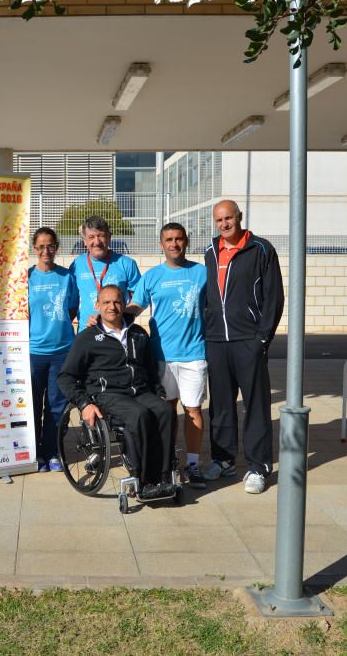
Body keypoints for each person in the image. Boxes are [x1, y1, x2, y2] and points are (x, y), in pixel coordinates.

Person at [57, 285, 177, 500]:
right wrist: (84, 403)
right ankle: (144, 480)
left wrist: (158, 392)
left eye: (117, 302)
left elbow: (150, 369)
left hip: (139, 391)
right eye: (106, 302)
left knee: (165, 411)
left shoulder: (138, 333)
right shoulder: (87, 338)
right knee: (138, 415)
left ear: (124, 304)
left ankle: (164, 476)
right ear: (97, 306)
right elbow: (65, 377)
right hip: (107, 394)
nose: (112, 307)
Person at [202, 200, 283, 495]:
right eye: (219, 220)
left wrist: (262, 338)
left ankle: (258, 466)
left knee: (257, 406)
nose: (224, 224)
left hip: (248, 341)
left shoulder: (261, 250)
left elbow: (273, 297)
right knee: (221, 407)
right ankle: (223, 460)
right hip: (216, 343)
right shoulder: (210, 252)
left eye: (229, 218)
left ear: (240, 218)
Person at [126, 222, 209, 489]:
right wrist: (106, 318)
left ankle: (193, 463)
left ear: (186, 241)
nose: (174, 244)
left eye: (179, 239)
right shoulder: (151, 277)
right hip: (161, 356)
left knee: (193, 409)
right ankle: (170, 461)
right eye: (169, 239)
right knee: (167, 410)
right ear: (161, 245)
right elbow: (135, 307)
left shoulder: (202, 273)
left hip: (194, 354)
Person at [28, 227, 78, 472]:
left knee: (58, 406)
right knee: (33, 404)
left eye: (50, 246)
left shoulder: (67, 277)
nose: (46, 250)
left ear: (56, 247)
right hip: (33, 352)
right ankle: (35, 454)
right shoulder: (26, 278)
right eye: (40, 246)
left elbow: (71, 310)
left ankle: (53, 452)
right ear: (34, 249)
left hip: (62, 352)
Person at [69, 215, 141, 325]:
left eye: (101, 236)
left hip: (117, 333)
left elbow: (139, 299)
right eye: (91, 237)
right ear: (84, 241)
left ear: (109, 237)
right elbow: (72, 303)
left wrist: (120, 316)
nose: (97, 242)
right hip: (87, 332)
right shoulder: (77, 265)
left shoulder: (127, 264)